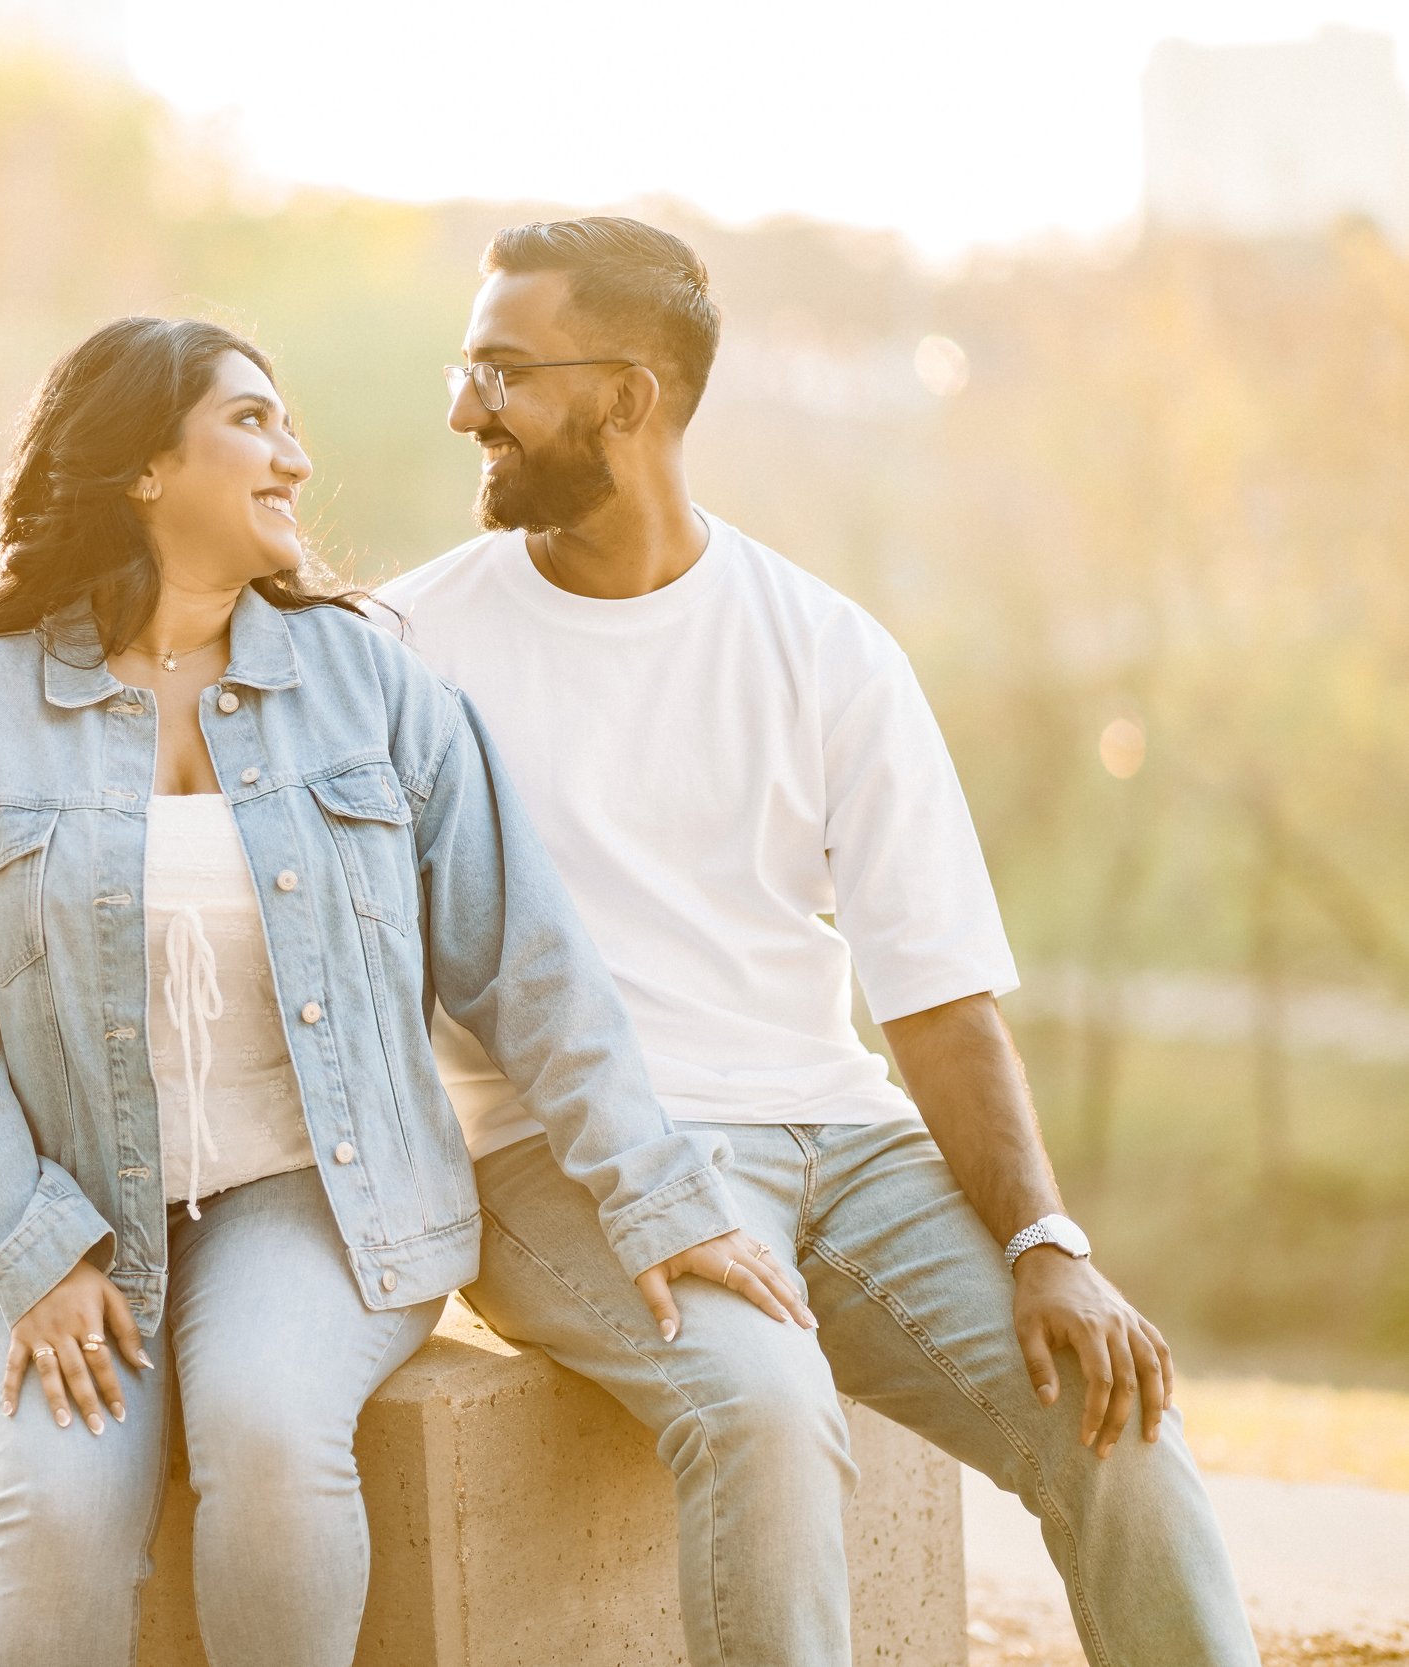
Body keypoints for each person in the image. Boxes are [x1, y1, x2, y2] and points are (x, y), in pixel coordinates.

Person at [0, 316, 804, 1667]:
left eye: (288, 422)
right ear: (142, 470)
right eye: (251, 422)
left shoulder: (375, 690)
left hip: (316, 1188)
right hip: (59, 1204)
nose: (296, 456)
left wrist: (653, 1198)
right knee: (64, 1508)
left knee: (269, 1427)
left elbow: (530, 970)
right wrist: (33, 1246)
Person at [375, 217, 1257, 1666]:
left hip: (842, 1149)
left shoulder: (825, 647)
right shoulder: (412, 648)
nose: (464, 406)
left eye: (501, 371)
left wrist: (1045, 1239)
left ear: (628, 399)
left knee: (1114, 1417)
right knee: (767, 1412)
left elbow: (938, 993)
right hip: (570, 1156)